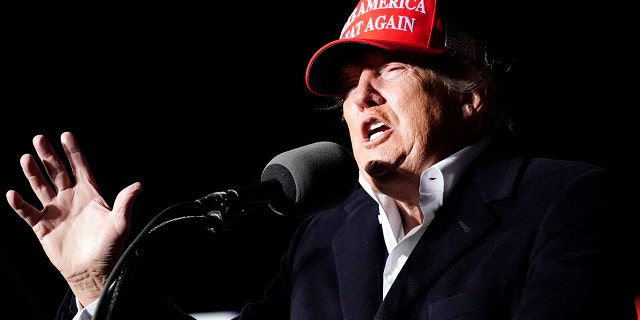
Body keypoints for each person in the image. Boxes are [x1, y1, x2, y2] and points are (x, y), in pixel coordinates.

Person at [6, 0, 638, 319]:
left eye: (390, 68)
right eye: (345, 85)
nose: (360, 95)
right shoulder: (323, 237)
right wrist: (96, 284)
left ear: (470, 96)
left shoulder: (567, 201)